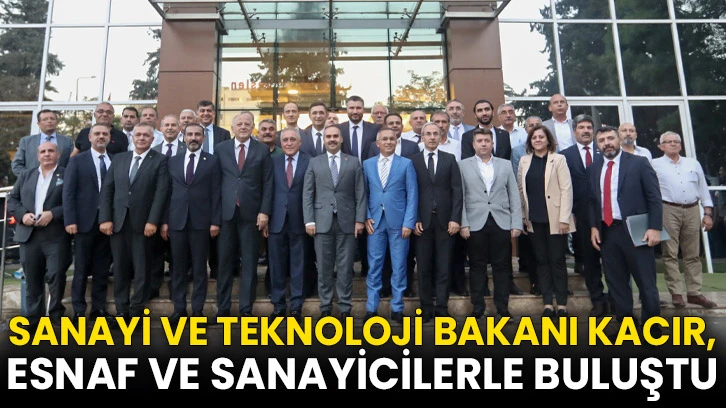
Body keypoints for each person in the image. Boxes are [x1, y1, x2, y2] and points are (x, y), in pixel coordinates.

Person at [588, 126, 662, 332]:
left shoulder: (639, 163)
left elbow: (654, 197)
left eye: (610, 138)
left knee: (646, 282)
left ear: (619, 139)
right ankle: (626, 329)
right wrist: (594, 226)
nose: (607, 143)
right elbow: (593, 201)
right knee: (616, 283)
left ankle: (652, 329)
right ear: (597, 145)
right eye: (602, 140)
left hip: (637, 229)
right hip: (607, 231)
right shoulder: (594, 168)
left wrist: (655, 227)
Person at [98, 122, 170, 322]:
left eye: (146, 135)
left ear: (152, 139)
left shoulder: (160, 160)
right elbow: (107, 190)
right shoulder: (120, 159)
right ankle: (122, 309)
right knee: (120, 268)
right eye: (138, 135)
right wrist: (105, 218)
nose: (141, 138)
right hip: (118, 223)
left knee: (142, 268)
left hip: (144, 224)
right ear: (132, 137)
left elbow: (161, 193)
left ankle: (137, 308)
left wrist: (153, 221)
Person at [303, 125, 366, 319]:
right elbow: (308, 193)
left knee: (345, 268)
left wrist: (360, 220)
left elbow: (360, 193)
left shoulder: (353, 162)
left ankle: (345, 307)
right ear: (324, 140)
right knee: (324, 267)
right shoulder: (315, 162)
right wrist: (309, 220)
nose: (332, 139)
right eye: (328, 136)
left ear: (341, 139)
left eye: (335, 136)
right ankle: (325, 307)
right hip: (321, 223)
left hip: (347, 222)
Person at [214, 111, 273, 319]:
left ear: (252, 127)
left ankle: (246, 308)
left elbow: (268, 183)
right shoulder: (221, 149)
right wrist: (214, 217)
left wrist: (264, 211)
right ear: (232, 128)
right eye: (239, 124)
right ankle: (223, 308)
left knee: (249, 263)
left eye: (247, 123)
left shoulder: (262, 150)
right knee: (224, 263)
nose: (243, 127)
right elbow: (215, 184)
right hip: (226, 214)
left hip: (252, 214)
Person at [161, 123, 221, 324]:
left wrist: (215, 221)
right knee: (178, 267)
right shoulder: (173, 161)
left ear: (203, 137)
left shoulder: (212, 161)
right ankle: (179, 309)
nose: (193, 138)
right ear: (184, 137)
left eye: (197, 134)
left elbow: (216, 192)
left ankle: (197, 310)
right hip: (177, 221)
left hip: (202, 222)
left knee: (199, 269)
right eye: (190, 134)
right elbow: (166, 193)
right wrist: (164, 222)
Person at [460, 128, 522, 320]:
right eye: (479, 141)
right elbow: (460, 197)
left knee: (502, 266)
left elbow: (514, 194)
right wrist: (463, 223)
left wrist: (516, 223)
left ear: (492, 143)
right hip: (475, 222)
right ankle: (478, 307)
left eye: (487, 140)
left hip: (501, 221)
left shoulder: (505, 164)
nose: (483, 144)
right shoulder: (463, 165)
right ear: (473, 144)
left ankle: (502, 308)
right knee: (477, 267)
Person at [8, 142, 71, 327]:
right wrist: (22, 215)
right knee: (32, 278)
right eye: (43, 151)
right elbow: (12, 199)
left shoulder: (67, 174)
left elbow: (74, 200)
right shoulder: (26, 175)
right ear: (38, 156)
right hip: (29, 235)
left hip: (56, 235)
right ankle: (34, 318)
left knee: (56, 275)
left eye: (51, 151)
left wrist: (53, 213)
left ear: (58, 154)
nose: (47, 154)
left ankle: (56, 316)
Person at [652, 131, 717, 309]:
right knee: (670, 253)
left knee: (693, 254)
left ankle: (694, 293)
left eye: (676, 141)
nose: (673, 144)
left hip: (692, 209)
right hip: (668, 209)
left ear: (680, 145)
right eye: (669, 141)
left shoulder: (692, 163)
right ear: (661, 146)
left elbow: (703, 188)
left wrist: (708, 213)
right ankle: (676, 293)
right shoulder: (654, 164)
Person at [518, 125, 575, 317]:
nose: (538, 140)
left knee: (557, 260)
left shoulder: (558, 159)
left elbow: (566, 189)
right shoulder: (524, 161)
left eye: (541, 137)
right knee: (541, 261)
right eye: (534, 137)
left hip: (556, 219)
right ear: (530, 141)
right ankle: (548, 303)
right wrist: (523, 216)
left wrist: (564, 218)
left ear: (548, 140)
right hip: (534, 218)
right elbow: (521, 190)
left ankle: (562, 304)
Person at [362, 127, 418, 323]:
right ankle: (371, 308)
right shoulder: (367, 164)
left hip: (399, 223)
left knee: (399, 265)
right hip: (375, 222)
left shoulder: (406, 164)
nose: (388, 142)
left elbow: (412, 195)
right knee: (374, 266)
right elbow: (363, 193)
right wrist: (366, 216)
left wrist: (409, 222)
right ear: (377, 144)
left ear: (396, 142)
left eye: (391, 139)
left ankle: (397, 308)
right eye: (384, 139)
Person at [412, 122, 462, 322]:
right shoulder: (413, 160)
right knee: (423, 267)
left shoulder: (450, 159)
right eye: (428, 134)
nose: (432, 137)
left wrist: (455, 218)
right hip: (422, 223)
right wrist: (414, 218)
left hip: (445, 222)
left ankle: (441, 307)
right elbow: (410, 192)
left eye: (435, 134)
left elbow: (457, 191)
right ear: (422, 137)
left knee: (444, 266)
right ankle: (426, 308)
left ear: (441, 137)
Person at [63, 123, 113, 322]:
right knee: (81, 269)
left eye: (105, 134)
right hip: (84, 222)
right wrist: (70, 220)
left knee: (102, 269)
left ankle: (98, 309)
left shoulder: (116, 160)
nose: (101, 136)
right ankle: (78, 310)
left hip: (109, 222)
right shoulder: (77, 161)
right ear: (90, 137)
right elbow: (68, 192)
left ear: (109, 138)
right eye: (97, 133)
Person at [560, 114, 608, 316]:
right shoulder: (565, 155)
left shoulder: (605, 151)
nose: (586, 130)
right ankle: (597, 299)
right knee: (589, 259)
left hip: (607, 212)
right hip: (581, 214)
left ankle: (616, 298)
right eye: (581, 127)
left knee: (612, 258)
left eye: (589, 127)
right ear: (574, 131)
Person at [268, 128, 310, 323]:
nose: (289, 143)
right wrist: (266, 216)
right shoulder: (273, 162)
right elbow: (267, 190)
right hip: (276, 221)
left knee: (298, 265)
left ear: (300, 142)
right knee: (276, 265)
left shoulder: (309, 161)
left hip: (300, 220)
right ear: (280, 143)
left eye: (293, 139)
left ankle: (296, 306)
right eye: (285, 140)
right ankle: (278, 305)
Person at [512, 116, 542, 294]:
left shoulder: (556, 153)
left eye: (538, 125)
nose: (534, 128)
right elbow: (518, 181)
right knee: (531, 246)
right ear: (525, 129)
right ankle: (535, 283)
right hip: (528, 203)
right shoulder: (518, 152)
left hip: (549, 205)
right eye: (531, 126)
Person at [12, 110, 73, 176]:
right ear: (38, 123)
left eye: (52, 119)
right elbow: (17, 165)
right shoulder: (26, 142)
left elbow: (73, 163)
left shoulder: (67, 141)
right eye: (45, 119)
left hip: (60, 180)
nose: (49, 121)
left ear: (56, 122)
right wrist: (31, 177)